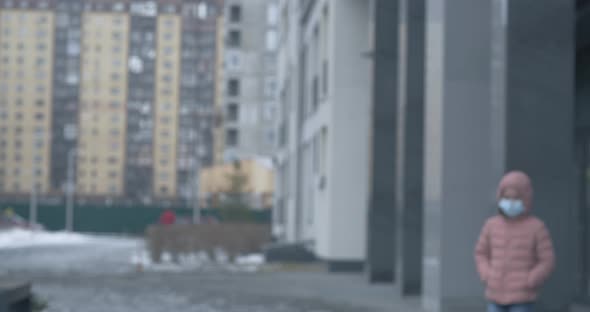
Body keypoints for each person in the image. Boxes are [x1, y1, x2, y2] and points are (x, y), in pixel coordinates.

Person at [475, 171, 555, 312]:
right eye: (507, 197)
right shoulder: (491, 225)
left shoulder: (536, 227)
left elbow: (547, 260)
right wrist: (487, 274)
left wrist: (531, 279)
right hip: (495, 294)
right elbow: (481, 253)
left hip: (522, 297)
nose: (511, 203)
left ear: (525, 199)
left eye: (516, 198)